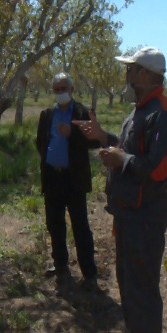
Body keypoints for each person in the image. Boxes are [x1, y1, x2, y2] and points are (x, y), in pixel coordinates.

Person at [74, 46, 167, 333]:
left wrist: (122, 161)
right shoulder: (140, 111)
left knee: (143, 290)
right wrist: (103, 138)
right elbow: (130, 146)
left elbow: (161, 169)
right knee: (127, 283)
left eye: (132, 69)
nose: (127, 75)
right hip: (127, 214)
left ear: (147, 75)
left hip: (145, 218)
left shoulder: (163, 114)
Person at [36, 72, 100, 290]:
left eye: (64, 88)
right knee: (55, 224)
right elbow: (40, 143)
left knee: (80, 226)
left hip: (74, 180)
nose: (60, 93)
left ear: (72, 89)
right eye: (56, 89)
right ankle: (61, 265)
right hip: (53, 177)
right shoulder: (47, 115)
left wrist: (72, 133)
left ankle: (90, 274)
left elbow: (94, 142)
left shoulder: (83, 113)